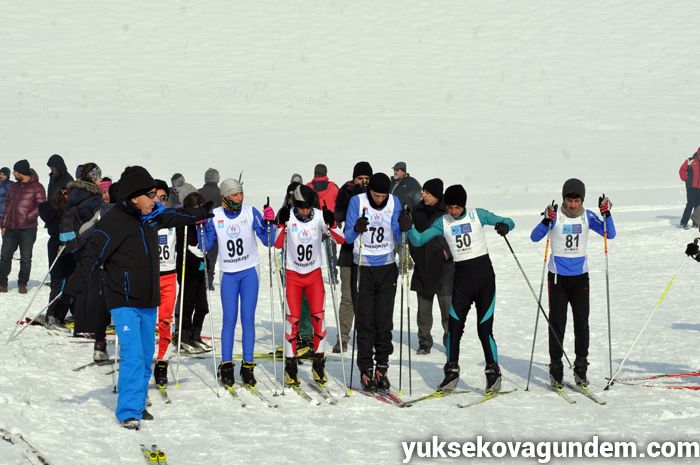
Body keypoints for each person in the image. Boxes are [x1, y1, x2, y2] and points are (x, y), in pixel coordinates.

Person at [52, 166, 213, 429]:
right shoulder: (112, 223)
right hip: (123, 300)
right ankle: (128, 410)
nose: (156, 199)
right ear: (134, 197)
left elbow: (176, 215)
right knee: (134, 355)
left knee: (146, 352)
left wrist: (200, 213)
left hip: (148, 300)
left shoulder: (151, 216)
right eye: (151, 195)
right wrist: (68, 295)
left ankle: (138, 403)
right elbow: (91, 258)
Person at [408, 184, 514, 393]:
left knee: (484, 330)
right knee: (454, 329)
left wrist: (505, 226)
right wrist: (408, 226)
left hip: (484, 280)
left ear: (464, 205)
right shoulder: (443, 222)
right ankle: (451, 373)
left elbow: (508, 221)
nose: (454, 212)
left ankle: (493, 373)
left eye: (457, 207)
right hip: (462, 281)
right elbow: (419, 240)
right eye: (450, 207)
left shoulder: (477, 215)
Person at [530, 178, 615, 389]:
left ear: (582, 200)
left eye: (577, 200)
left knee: (581, 323)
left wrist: (607, 214)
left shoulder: (588, 216)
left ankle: (580, 367)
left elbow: (609, 234)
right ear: (564, 199)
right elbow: (534, 237)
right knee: (557, 324)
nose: (573, 204)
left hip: (580, 278)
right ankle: (556, 366)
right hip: (557, 278)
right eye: (569, 200)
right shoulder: (555, 216)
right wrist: (545, 221)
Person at [203, 178, 274, 388]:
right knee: (229, 320)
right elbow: (204, 246)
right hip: (229, 274)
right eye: (234, 194)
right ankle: (226, 366)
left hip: (250, 271)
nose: (239, 198)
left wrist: (270, 223)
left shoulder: (251, 212)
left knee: (248, 319)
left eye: (241, 193)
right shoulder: (214, 216)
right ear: (225, 197)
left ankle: (248, 366)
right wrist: (198, 228)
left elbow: (268, 240)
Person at [344, 172, 411, 392]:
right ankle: (366, 370)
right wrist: (356, 228)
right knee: (365, 321)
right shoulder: (358, 201)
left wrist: (404, 226)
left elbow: (400, 238)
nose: (380, 199)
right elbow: (347, 237)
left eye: (383, 195)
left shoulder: (394, 201)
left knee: (384, 320)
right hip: (363, 267)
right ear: (369, 191)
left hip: (387, 267)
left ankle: (382, 366)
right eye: (376, 195)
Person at [274, 184, 344, 386]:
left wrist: (331, 224)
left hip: (313, 276)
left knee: (319, 320)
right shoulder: (289, 217)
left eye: (307, 208)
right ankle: (291, 367)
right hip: (294, 276)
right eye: (301, 208)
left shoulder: (319, 216)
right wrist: (280, 224)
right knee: (292, 322)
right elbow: (277, 245)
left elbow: (340, 239)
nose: (305, 212)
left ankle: (319, 364)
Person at [59, 163, 106, 337]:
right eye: (99, 176)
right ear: (94, 177)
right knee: (93, 285)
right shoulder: (94, 197)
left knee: (82, 284)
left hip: (76, 244)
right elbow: (98, 220)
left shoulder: (74, 194)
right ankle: (90, 327)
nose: (101, 180)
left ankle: (80, 326)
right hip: (90, 243)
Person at [407, 178, 454, 355]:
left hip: (445, 268)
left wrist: (448, 252)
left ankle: (449, 340)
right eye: (423, 191)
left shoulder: (447, 212)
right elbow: (412, 235)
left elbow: (456, 234)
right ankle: (424, 341)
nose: (423, 195)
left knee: (447, 310)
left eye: (427, 192)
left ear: (436, 195)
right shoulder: (417, 210)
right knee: (423, 311)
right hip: (423, 265)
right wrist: (416, 255)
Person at [332, 161, 373, 353]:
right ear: (354, 178)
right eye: (360, 178)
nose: (364, 182)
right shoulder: (346, 191)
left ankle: (366, 337)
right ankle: (343, 338)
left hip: (370, 252)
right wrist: (354, 195)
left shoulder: (377, 195)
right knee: (347, 297)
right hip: (349, 251)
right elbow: (338, 215)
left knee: (367, 298)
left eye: (367, 179)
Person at [0, 160, 46, 294]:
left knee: (26, 258)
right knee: (4, 256)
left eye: (15, 171)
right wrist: (3, 224)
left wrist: (28, 216)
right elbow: (7, 206)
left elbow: (41, 206)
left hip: (28, 229)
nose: (13, 173)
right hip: (10, 228)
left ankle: (22, 283)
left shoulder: (37, 187)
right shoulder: (13, 187)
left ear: (22, 173)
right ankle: (2, 283)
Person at [175, 192, 212, 354]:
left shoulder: (201, 225)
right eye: (196, 209)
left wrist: (206, 261)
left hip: (199, 270)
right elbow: (181, 249)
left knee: (202, 306)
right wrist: (198, 263)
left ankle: (196, 334)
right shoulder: (183, 224)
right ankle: (184, 336)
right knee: (187, 304)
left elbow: (203, 247)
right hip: (187, 270)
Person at [38, 187, 77, 330]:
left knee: (67, 280)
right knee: (59, 282)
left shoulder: (58, 207)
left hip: (64, 246)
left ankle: (61, 313)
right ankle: (52, 315)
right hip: (60, 246)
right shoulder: (59, 209)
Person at [153, 180, 178, 386]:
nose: (160, 202)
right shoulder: (144, 219)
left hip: (169, 277)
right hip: (149, 278)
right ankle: (142, 364)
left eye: (164, 198)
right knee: (145, 324)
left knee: (165, 322)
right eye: (157, 197)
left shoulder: (172, 218)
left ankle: (162, 363)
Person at [307, 163, 340, 280]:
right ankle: (333, 275)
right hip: (329, 224)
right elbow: (339, 205)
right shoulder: (333, 187)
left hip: (313, 224)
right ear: (326, 173)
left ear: (315, 173)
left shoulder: (308, 187)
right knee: (331, 253)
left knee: (313, 252)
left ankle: (311, 275)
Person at [198, 168, 221, 290]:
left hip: (202, 226)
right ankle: (209, 281)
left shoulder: (199, 192)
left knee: (201, 253)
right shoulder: (221, 192)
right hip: (217, 227)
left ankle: (201, 279)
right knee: (212, 255)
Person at [679, 148, 700, 229]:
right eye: (699, 154)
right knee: (690, 204)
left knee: (698, 206)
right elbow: (682, 170)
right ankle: (683, 223)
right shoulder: (690, 160)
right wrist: (686, 179)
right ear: (697, 153)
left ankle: (696, 223)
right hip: (691, 187)